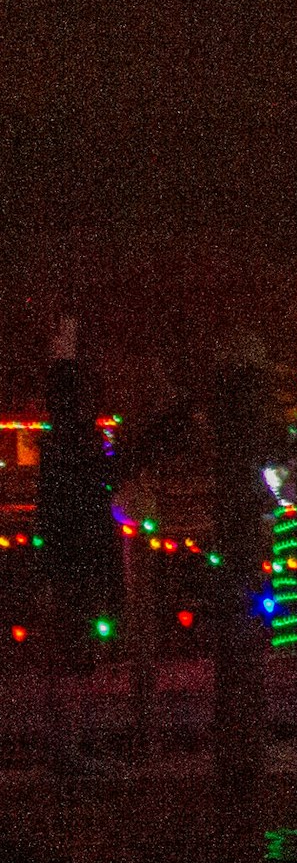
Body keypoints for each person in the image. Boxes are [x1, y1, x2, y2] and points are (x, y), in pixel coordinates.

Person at [32, 318, 121, 763]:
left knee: (73, 654)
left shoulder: (59, 443)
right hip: (80, 559)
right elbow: (92, 491)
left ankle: (68, 744)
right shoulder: (78, 442)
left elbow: (50, 508)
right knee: (80, 654)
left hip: (71, 559)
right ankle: (72, 745)